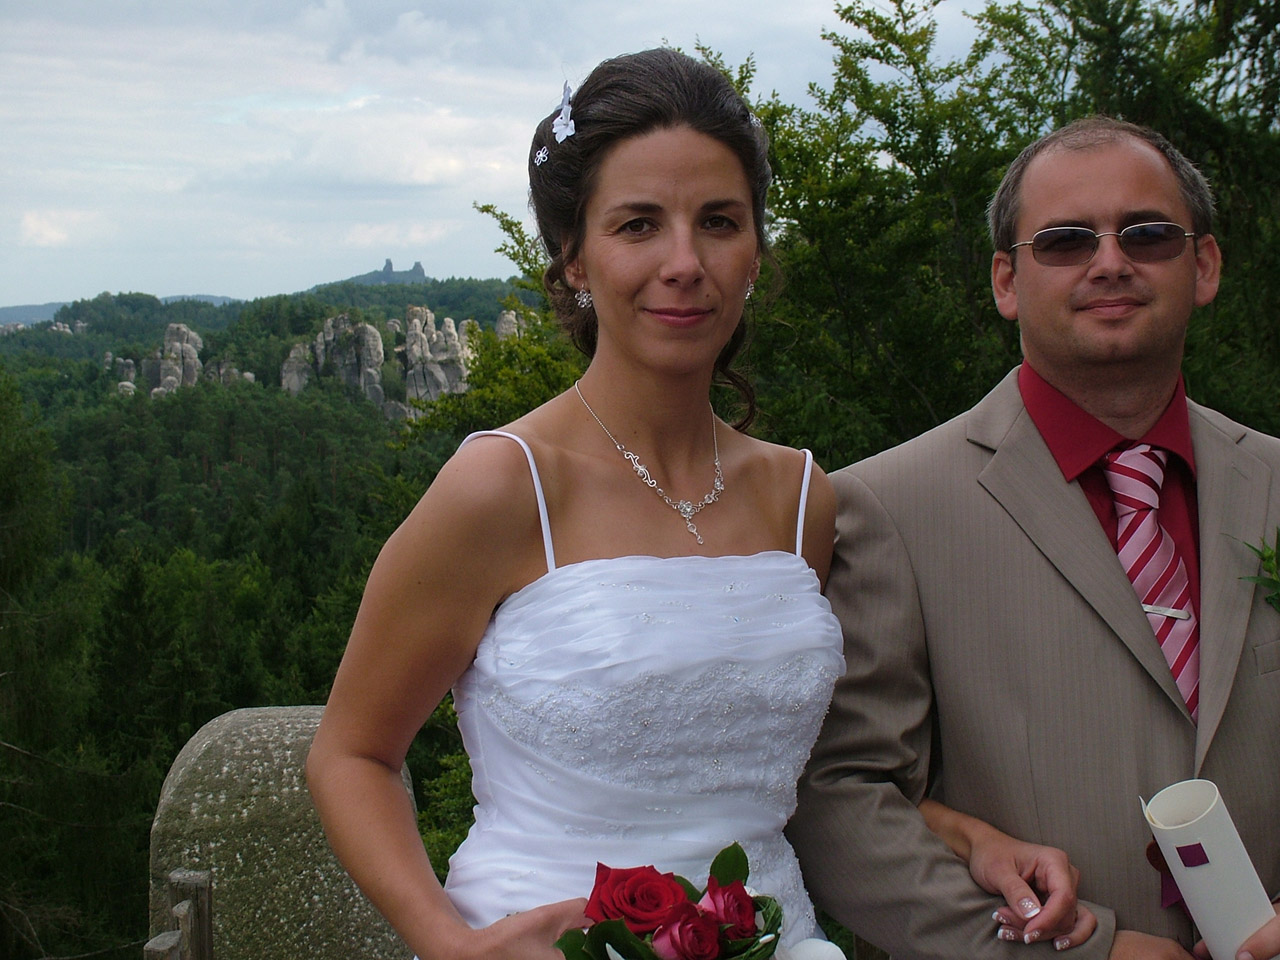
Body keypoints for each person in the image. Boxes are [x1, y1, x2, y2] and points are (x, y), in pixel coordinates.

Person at [307, 49, 1085, 960]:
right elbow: (351, 755)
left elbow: (781, 774)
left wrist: (968, 837)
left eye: (718, 222)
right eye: (638, 225)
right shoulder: (507, 486)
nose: (685, 263)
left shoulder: (801, 497)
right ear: (574, 258)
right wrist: (446, 944)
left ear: (755, 252)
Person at [789, 116, 1280, 960]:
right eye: (1064, 241)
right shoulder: (886, 506)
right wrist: (1076, 952)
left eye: (1148, 234)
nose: (1110, 261)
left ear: (1203, 266)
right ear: (1006, 281)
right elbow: (841, 799)